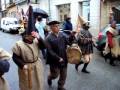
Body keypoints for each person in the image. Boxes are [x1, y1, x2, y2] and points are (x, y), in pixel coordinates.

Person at [12, 5, 46, 90]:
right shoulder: (18, 44)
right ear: (26, 36)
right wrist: (22, 65)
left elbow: (44, 47)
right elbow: (15, 57)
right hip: (26, 67)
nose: (33, 38)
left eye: (34, 36)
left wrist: (39, 38)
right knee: (27, 85)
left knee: (38, 83)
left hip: (37, 65)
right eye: (31, 36)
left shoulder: (35, 40)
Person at [46, 20, 75, 90]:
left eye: (58, 26)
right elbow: (50, 51)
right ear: (51, 28)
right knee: (55, 74)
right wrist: (58, 58)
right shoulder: (48, 38)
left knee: (63, 74)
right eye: (56, 26)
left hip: (64, 58)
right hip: (54, 60)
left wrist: (72, 36)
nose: (58, 27)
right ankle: (49, 78)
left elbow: (69, 42)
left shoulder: (62, 35)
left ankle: (60, 86)